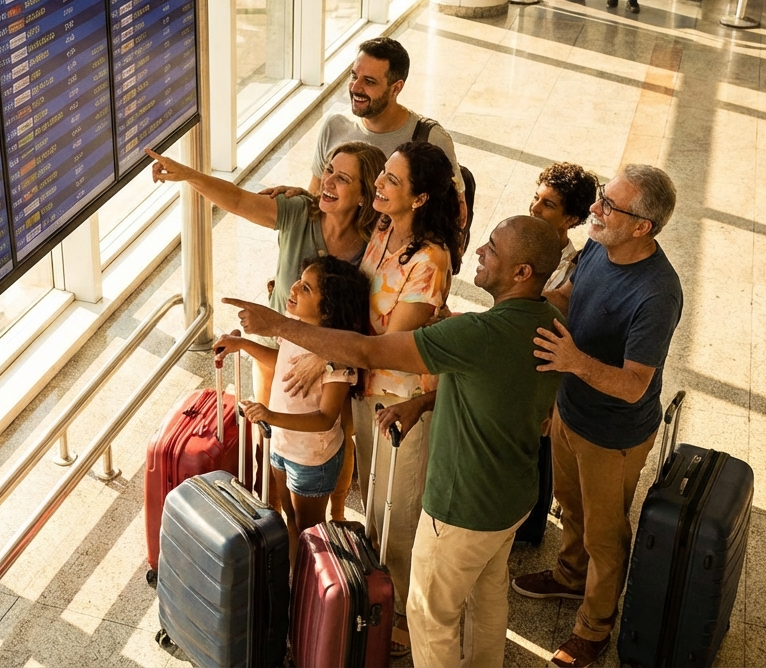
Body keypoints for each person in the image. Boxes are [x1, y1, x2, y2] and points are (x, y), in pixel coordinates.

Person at [223, 215, 567, 668]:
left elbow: (367, 352)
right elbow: (494, 382)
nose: (479, 251)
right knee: (487, 595)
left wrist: (280, 324)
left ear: (523, 272)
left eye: (493, 249)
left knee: (430, 616)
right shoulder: (550, 322)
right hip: (513, 494)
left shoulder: (475, 335)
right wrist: (421, 403)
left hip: (464, 505)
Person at [511, 164, 683, 668]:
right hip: (571, 409)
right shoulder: (598, 250)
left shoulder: (657, 293)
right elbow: (570, 297)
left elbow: (634, 385)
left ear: (641, 227)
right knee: (570, 504)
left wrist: (573, 362)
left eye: (610, 205)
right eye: (602, 196)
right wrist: (524, 301)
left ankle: (595, 627)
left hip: (614, 434)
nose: (595, 208)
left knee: (606, 534)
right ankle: (568, 575)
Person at [149, 142, 385, 407]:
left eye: (342, 179)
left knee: (323, 441)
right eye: (329, 171)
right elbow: (238, 200)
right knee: (265, 431)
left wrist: (326, 359)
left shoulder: (375, 244)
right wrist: (188, 175)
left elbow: (368, 318)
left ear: (365, 195)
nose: (327, 182)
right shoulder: (299, 210)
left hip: (334, 363)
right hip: (274, 350)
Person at [352, 139, 461, 655]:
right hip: (364, 388)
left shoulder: (431, 260)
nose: (380, 184)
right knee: (374, 505)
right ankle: (376, 601)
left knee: (400, 515)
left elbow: (396, 345)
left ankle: (396, 622)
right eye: (384, 175)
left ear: (419, 199)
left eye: (393, 180)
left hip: (399, 400)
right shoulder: (381, 229)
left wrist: (330, 336)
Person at [213, 256, 370, 566]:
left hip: (312, 459)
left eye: (307, 288)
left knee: (310, 533)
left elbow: (326, 418)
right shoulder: (296, 329)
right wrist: (241, 344)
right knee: (291, 522)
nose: (295, 287)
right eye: (300, 280)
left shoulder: (338, 360)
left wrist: (271, 416)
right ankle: (293, 582)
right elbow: (282, 360)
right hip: (283, 447)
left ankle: (307, 590)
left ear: (327, 310)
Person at [305, 38, 465, 218]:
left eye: (369, 82)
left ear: (396, 88)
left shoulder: (429, 138)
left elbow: (456, 214)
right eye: (354, 76)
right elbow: (316, 192)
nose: (355, 87)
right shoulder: (334, 125)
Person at [529, 162, 598, 291]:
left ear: (571, 219)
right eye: (536, 197)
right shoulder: (513, 240)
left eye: (548, 205)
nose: (534, 208)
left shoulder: (570, 272)